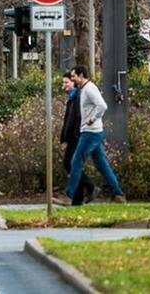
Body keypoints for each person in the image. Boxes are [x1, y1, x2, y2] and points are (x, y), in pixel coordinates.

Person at [62, 66, 127, 205]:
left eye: (74, 76)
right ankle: (118, 193)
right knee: (102, 164)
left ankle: (69, 195)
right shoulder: (83, 89)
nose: (72, 79)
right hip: (93, 132)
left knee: (76, 161)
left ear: (81, 75)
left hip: (91, 132)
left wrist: (92, 119)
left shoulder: (90, 88)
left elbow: (102, 105)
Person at [60, 72, 97, 205]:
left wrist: (71, 136)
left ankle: (89, 187)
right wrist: (63, 138)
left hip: (76, 136)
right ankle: (79, 197)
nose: (64, 85)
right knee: (72, 165)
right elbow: (67, 120)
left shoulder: (78, 96)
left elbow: (76, 118)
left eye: (66, 82)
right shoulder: (72, 97)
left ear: (74, 82)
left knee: (71, 164)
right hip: (71, 136)